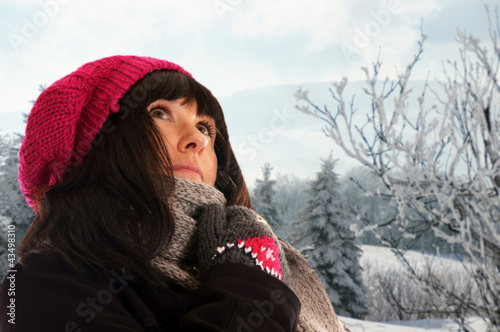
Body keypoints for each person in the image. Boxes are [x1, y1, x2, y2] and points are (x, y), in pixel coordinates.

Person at [0, 56, 350, 331]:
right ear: (98, 147)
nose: (196, 138)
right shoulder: (45, 284)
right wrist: (251, 285)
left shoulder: (263, 254)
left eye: (204, 126)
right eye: (160, 112)